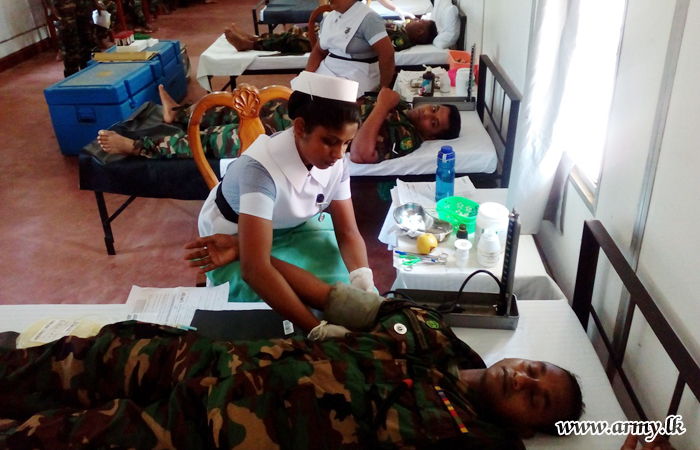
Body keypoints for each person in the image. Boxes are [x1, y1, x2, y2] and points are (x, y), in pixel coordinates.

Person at [0, 259, 584, 449]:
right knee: (78, 357)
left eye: (537, 401)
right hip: (213, 360)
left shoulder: (471, 439)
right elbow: (332, 297)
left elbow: (613, 426)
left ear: (528, 428)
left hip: (215, 430)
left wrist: (630, 432)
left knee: (58, 440)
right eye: (536, 370)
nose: (525, 380)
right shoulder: (427, 329)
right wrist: (252, 254)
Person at [197, 71, 374, 332]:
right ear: (300, 127)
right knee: (270, 309)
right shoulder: (260, 171)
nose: (339, 154)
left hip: (293, 226)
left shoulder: (335, 161)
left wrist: (364, 281)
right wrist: (316, 329)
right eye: (329, 141)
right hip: (235, 233)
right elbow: (254, 269)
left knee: (342, 290)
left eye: (347, 143)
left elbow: (348, 232)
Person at [96, 84, 291, 158]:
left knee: (217, 138)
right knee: (246, 107)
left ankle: (139, 147)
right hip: (294, 115)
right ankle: (179, 114)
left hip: (291, 135)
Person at [306, 0, 395, 97]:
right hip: (327, 70)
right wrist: (306, 76)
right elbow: (319, 51)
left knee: (324, 100)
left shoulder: (369, 18)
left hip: (357, 76)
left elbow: (387, 54)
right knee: (299, 94)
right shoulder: (329, 18)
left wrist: (383, 89)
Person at [350, 86, 461, 163]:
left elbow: (360, 155)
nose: (426, 114)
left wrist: (383, 105)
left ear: (430, 137)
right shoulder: (404, 107)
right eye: (433, 109)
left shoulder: (406, 137)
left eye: (433, 123)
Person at [222, 18, 437, 55]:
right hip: (342, 32)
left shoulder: (401, 39)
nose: (415, 20)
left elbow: (373, 44)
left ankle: (251, 45)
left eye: (419, 22)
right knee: (299, 31)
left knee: (298, 41)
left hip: (341, 43)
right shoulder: (400, 29)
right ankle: (254, 38)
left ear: (419, 32)